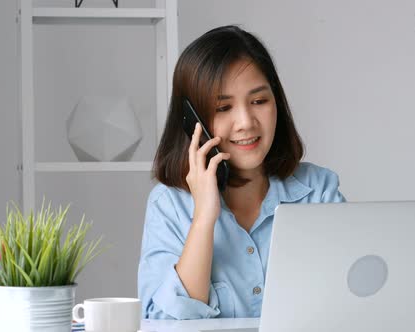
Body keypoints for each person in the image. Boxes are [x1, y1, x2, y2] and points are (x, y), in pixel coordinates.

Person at [137, 25, 346, 320]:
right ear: (191, 121)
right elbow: (167, 323)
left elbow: (349, 303)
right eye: (223, 107)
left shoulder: (319, 190)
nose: (246, 122)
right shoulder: (168, 205)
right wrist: (204, 218)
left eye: (259, 101)